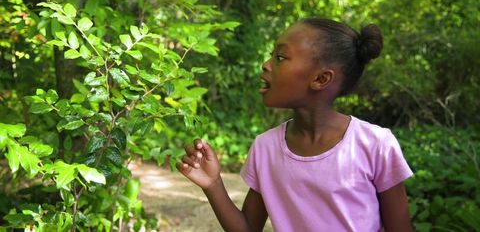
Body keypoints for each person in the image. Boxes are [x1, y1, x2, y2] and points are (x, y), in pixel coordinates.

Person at [176, 17, 413, 232]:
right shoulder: (266, 148)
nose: (266, 64)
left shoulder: (374, 145)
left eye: (280, 57)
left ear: (321, 79)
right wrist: (213, 184)